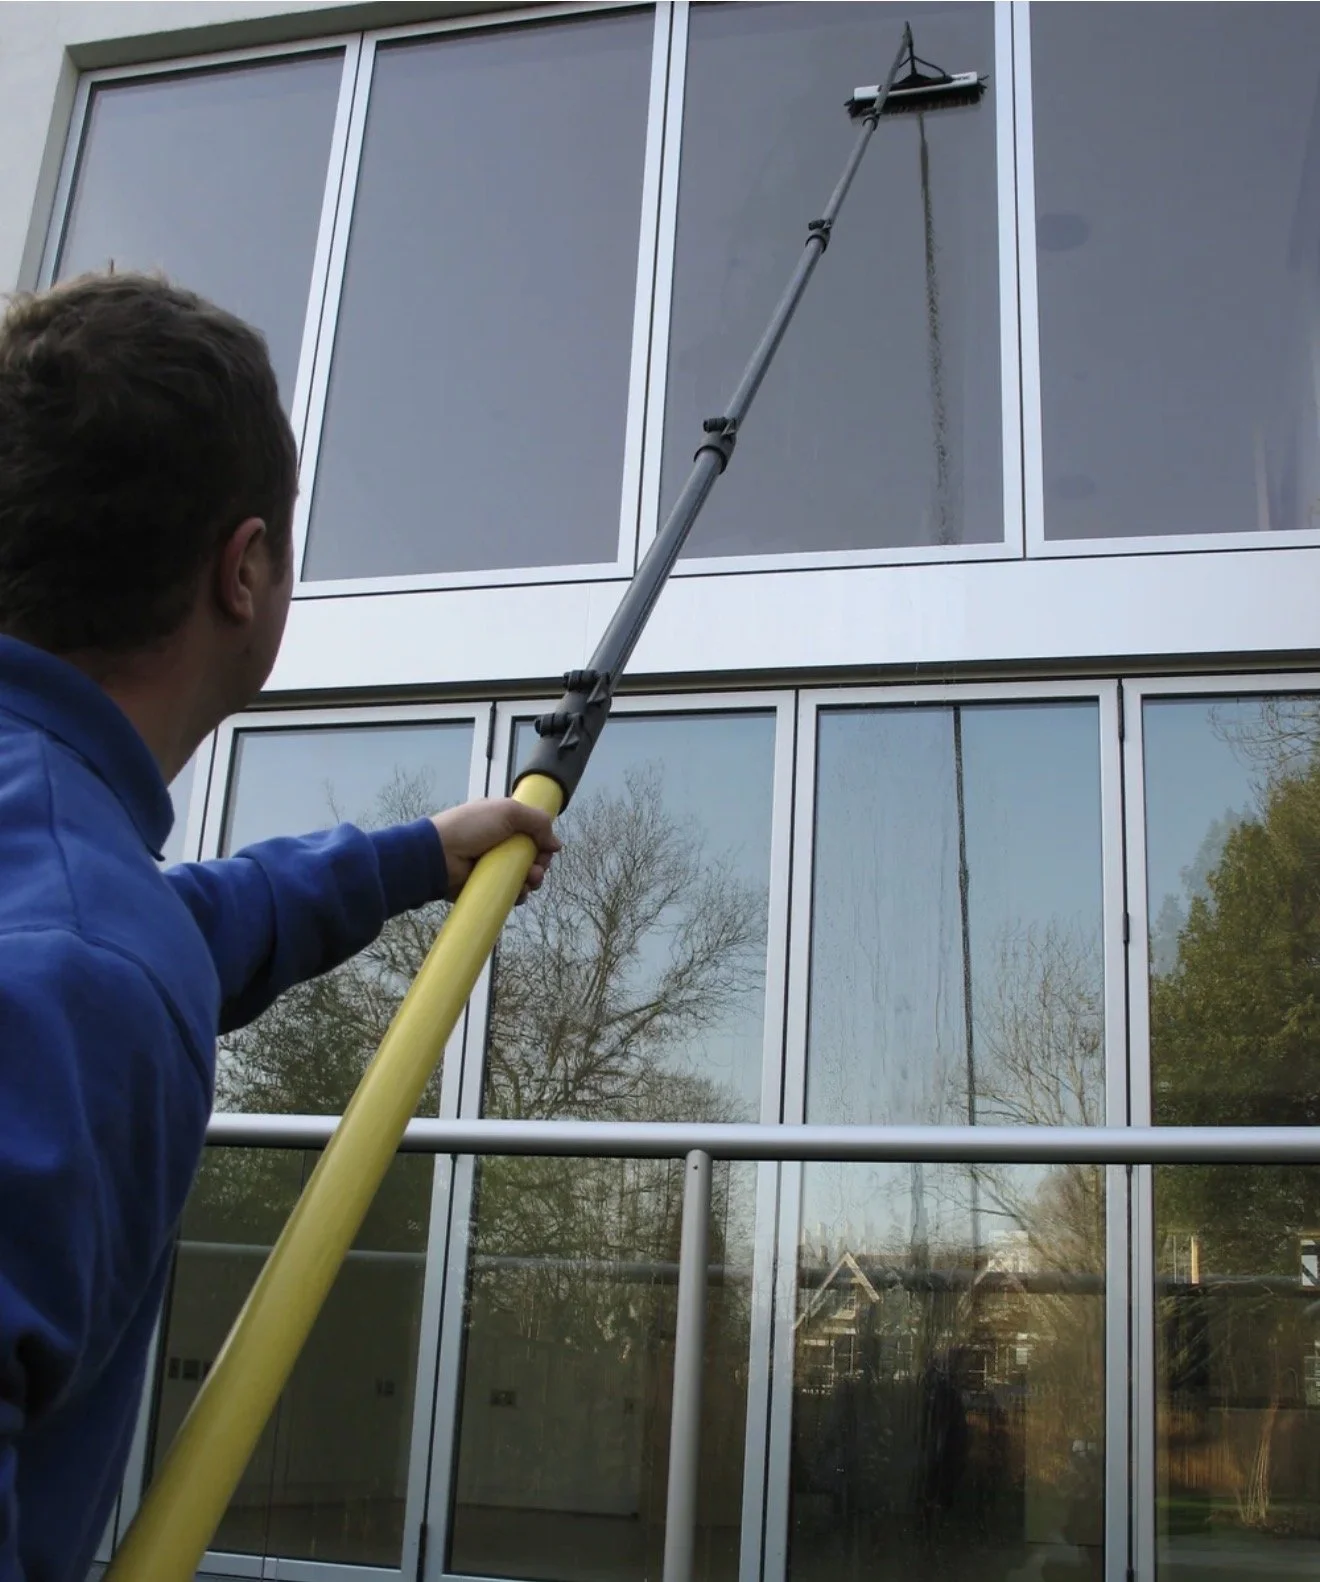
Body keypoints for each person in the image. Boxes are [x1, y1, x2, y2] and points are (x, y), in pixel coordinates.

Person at [0, 272, 560, 1582]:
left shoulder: (76, 906)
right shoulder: (78, 975)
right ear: (243, 568)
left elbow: (175, 924)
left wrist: (409, 858)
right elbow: (99, 957)